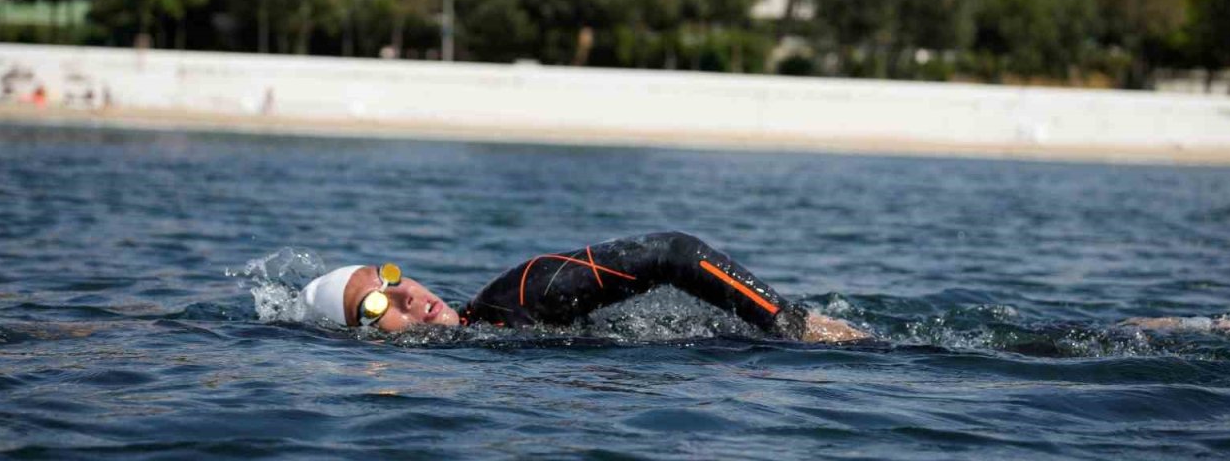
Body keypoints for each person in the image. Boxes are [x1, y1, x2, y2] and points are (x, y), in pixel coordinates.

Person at [300, 231, 871, 343]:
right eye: (375, 306)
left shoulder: (518, 296)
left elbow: (673, 252)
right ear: (362, 338)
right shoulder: (491, 341)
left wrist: (790, 323)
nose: (405, 296)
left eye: (391, 278)